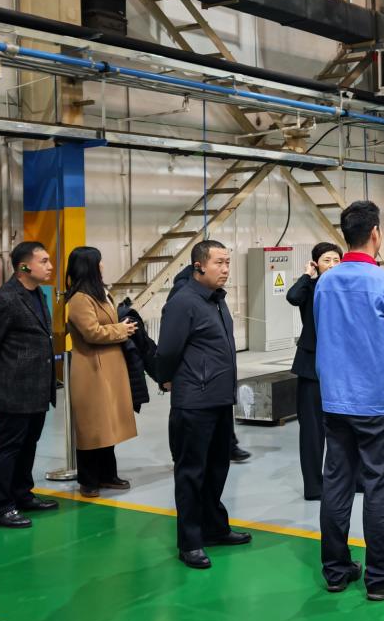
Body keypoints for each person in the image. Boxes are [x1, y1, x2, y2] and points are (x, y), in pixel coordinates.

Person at [314, 200, 384, 600]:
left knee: (337, 484)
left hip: (335, 400)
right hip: (378, 402)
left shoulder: (325, 283)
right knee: (379, 488)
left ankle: (336, 569)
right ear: (376, 233)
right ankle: (381, 576)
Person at [156, 240, 251, 570]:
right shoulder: (183, 303)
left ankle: (214, 527)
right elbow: (167, 351)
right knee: (191, 474)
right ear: (198, 266)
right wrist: (166, 379)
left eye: (227, 262)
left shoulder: (216, 300)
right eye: (219, 263)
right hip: (194, 403)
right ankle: (190, 542)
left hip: (220, 399)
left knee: (216, 469)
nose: (225, 269)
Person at [0, 241, 60, 528]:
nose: (50, 266)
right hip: (14, 386)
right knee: (9, 446)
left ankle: (22, 494)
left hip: (36, 386)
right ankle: (1, 507)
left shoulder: (37, 295)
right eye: (43, 261)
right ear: (24, 266)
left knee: (28, 444)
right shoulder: (6, 298)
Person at [64, 246, 139, 499]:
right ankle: (88, 479)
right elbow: (92, 332)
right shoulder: (79, 299)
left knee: (108, 425)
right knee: (92, 427)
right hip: (91, 369)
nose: (103, 265)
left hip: (110, 366)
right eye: (100, 261)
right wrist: (121, 330)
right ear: (90, 266)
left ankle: (108, 474)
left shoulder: (100, 294)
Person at [285, 241, 342, 500]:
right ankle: (313, 486)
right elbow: (292, 297)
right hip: (311, 365)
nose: (332, 265)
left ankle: (349, 479)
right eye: (326, 260)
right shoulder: (310, 286)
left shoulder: (345, 286)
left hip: (341, 365)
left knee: (345, 427)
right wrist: (307, 275)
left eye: (336, 260)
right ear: (316, 263)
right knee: (312, 429)